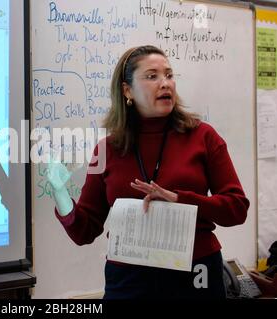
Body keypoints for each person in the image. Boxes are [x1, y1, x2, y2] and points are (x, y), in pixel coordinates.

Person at [47, 45, 250, 299]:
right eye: (152, 76)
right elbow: (84, 232)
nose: (165, 83)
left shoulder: (203, 136)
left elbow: (237, 207)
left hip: (196, 274)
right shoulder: (108, 149)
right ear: (127, 90)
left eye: (169, 75)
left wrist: (180, 199)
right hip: (129, 281)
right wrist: (61, 194)